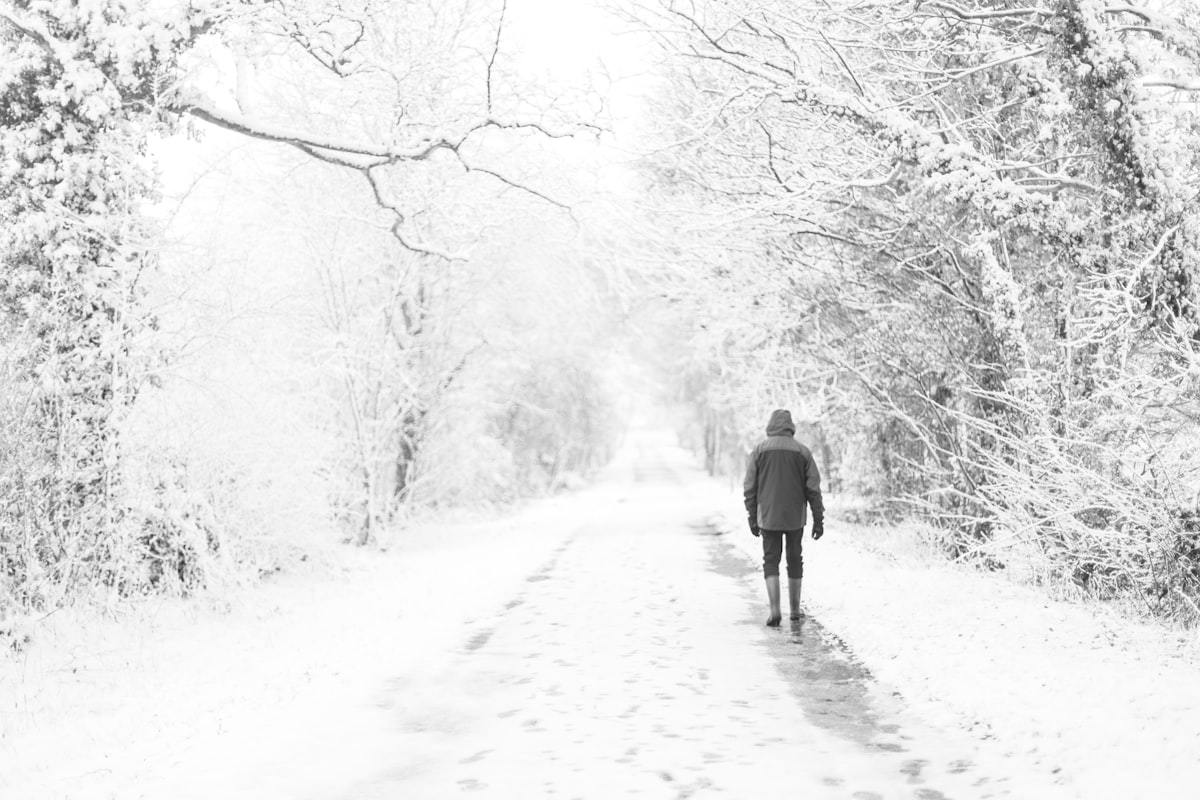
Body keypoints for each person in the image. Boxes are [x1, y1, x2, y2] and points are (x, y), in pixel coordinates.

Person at [743, 408, 824, 626]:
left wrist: (752, 516)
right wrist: (818, 519)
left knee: (771, 560)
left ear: (770, 426)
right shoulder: (803, 452)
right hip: (794, 516)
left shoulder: (759, 451)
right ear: (790, 427)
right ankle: (795, 611)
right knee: (794, 559)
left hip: (768, 516)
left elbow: (749, 487)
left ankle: (775, 611)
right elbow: (813, 489)